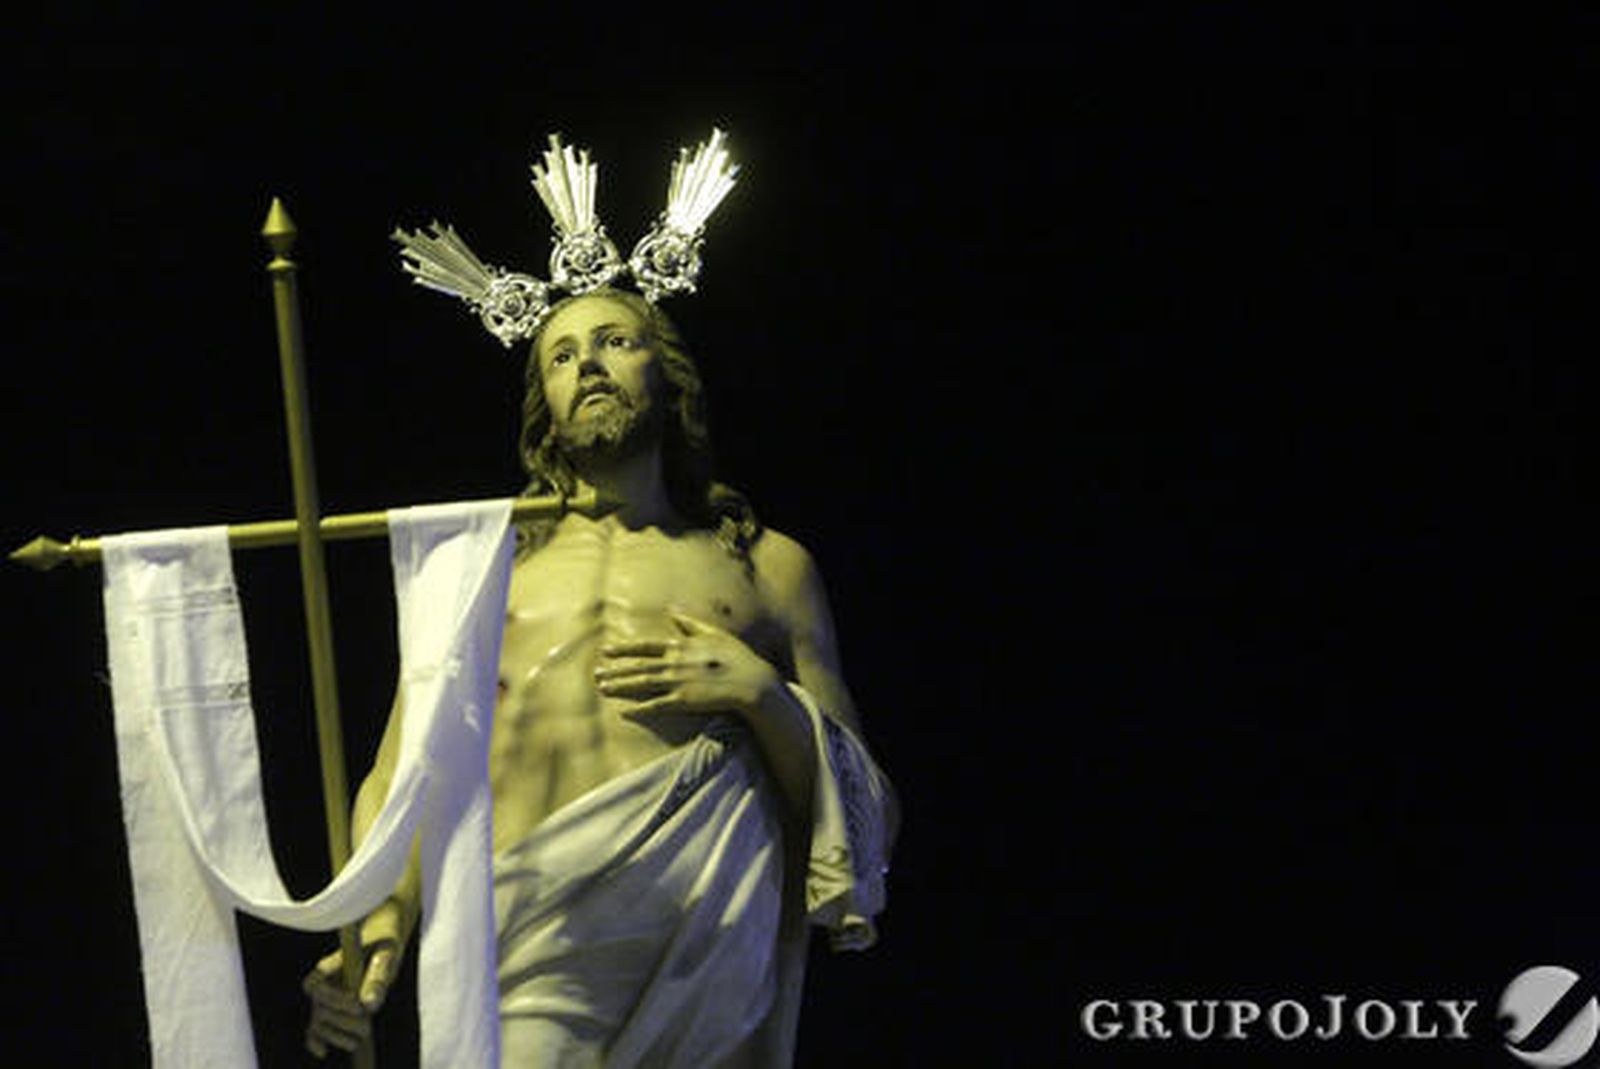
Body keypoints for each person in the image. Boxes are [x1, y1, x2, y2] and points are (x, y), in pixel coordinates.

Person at [304, 287, 894, 1065]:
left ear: (669, 376)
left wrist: (759, 694)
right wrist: (375, 920)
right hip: (537, 943)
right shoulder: (480, 571)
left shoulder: (766, 567)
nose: (587, 363)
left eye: (615, 340)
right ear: (543, 405)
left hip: (712, 947)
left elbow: (868, 809)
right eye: (561, 355)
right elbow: (403, 773)